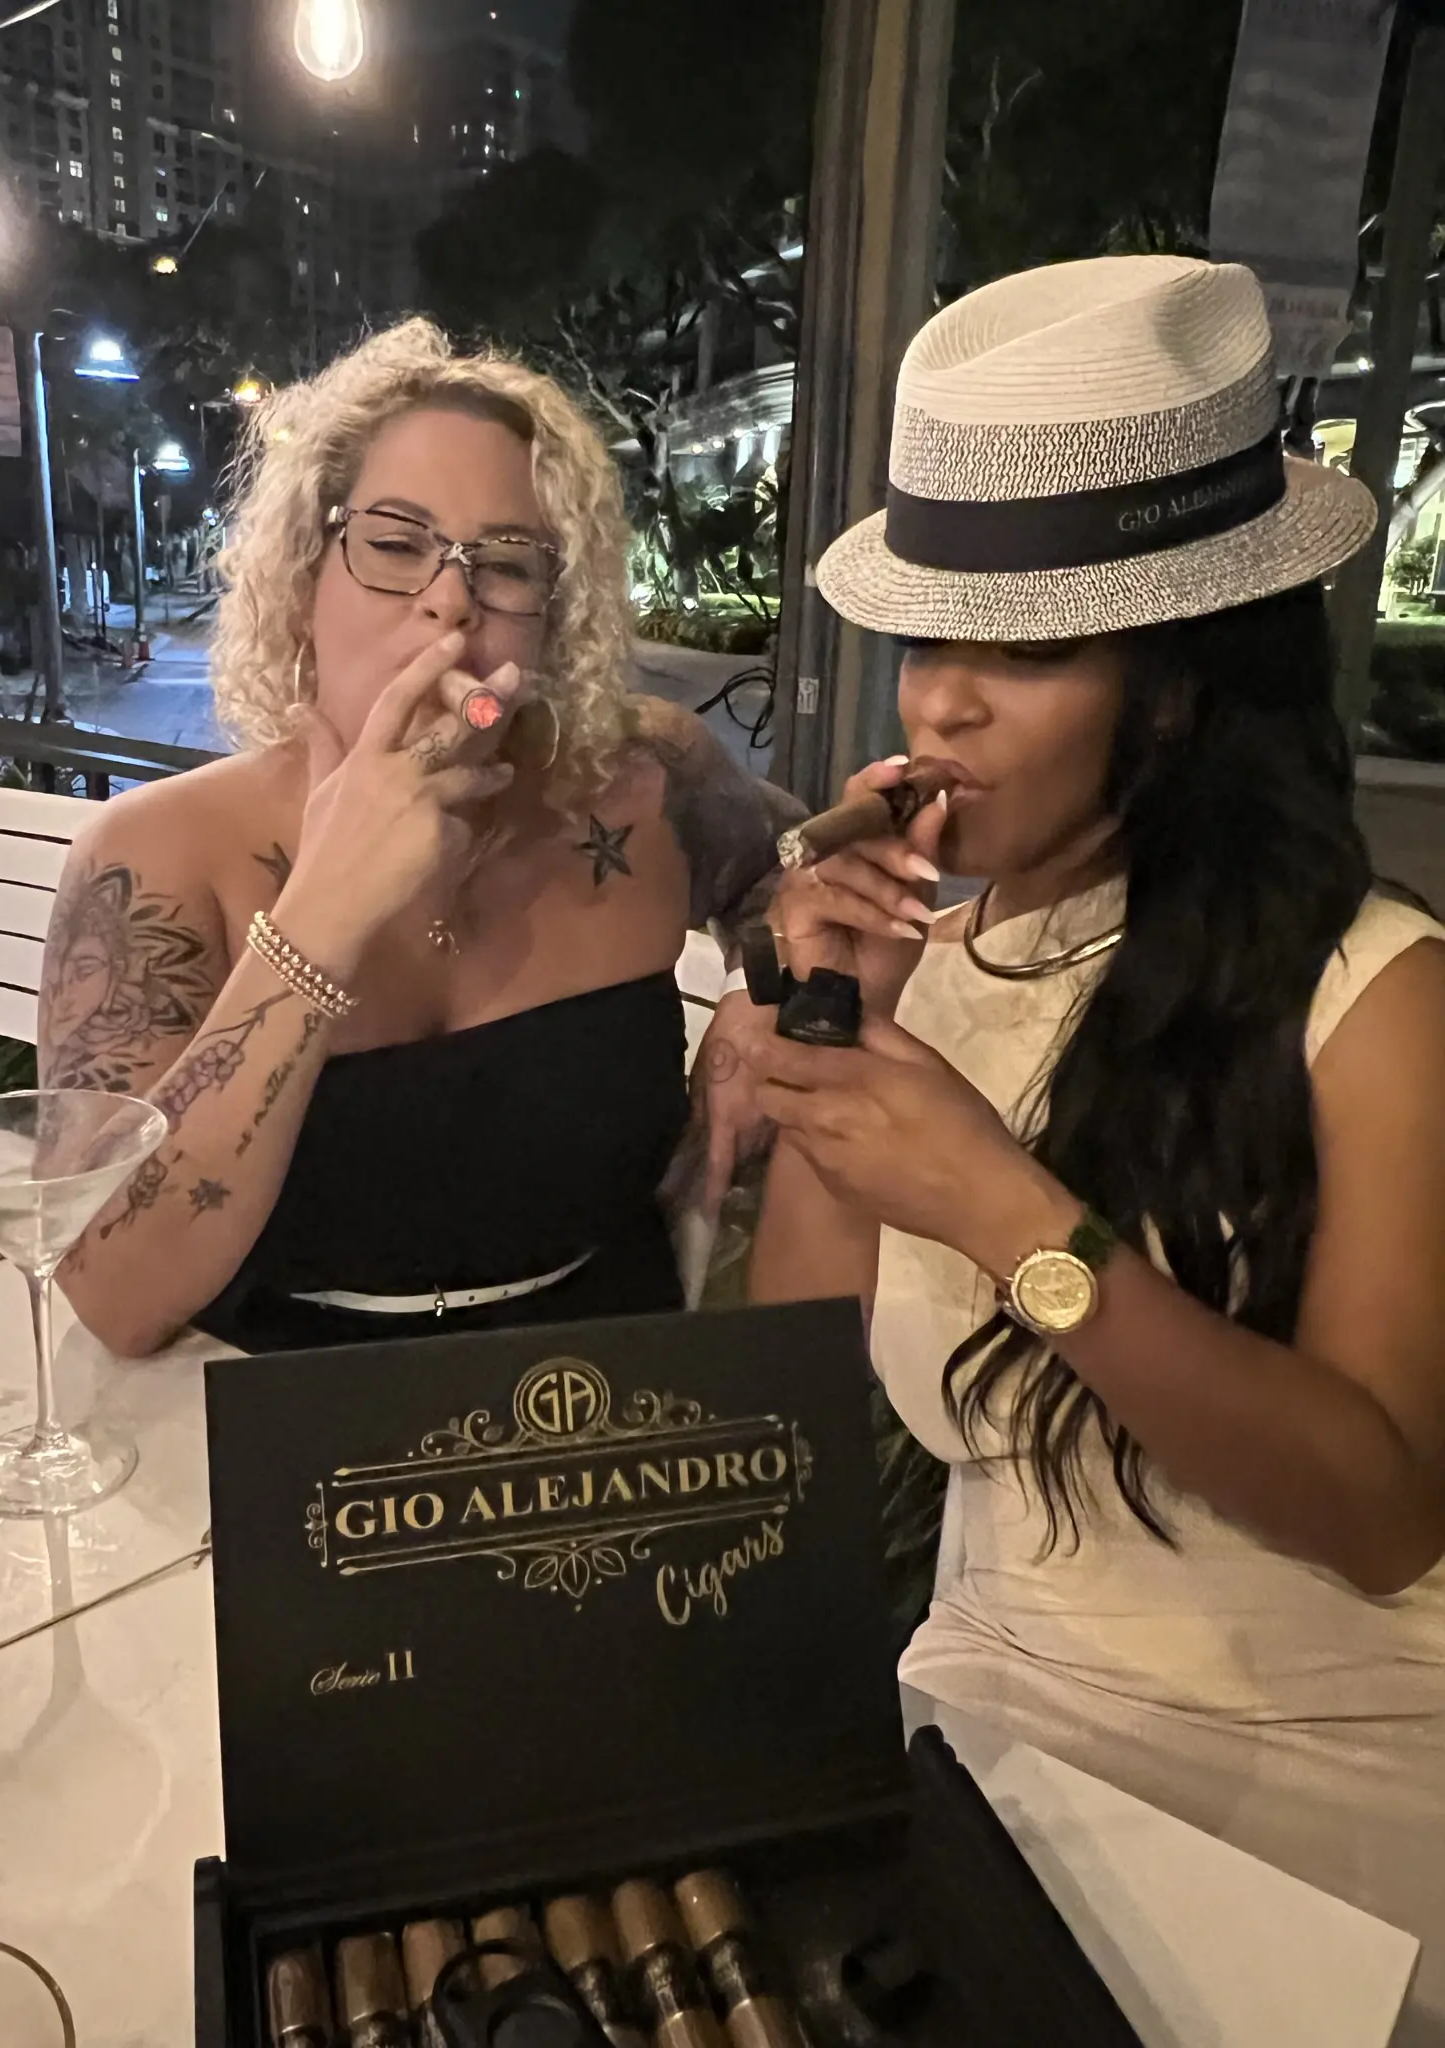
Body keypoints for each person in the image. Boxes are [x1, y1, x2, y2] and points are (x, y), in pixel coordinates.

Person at [745, 256, 1445, 2032]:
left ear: (1181, 687)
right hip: (989, 1706)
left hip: (1321, 1746)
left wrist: (1006, 1211)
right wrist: (838, 1029)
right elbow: (793, 1395)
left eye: (1032, 649)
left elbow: (1377, 1516)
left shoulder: (1377, 995)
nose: (939, 708)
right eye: (933, 640)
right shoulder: (932, 959)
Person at [39, 317, 797, 1357]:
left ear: (552, 614)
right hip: (277, 1403)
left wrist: (762, 998)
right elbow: (112, 1296)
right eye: (395, 545)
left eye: (507, 564)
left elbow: (798, 872)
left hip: (605, 1389)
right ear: (304, 579)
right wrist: (320, 917)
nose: (450, 602)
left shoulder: (645, 774)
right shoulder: (151, 854)